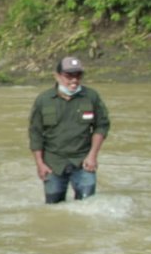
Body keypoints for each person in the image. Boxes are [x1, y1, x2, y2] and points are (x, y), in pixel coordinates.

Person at [28, 56, 111, 203]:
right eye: (69, 76)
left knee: (88, 206)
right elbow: (35, 134)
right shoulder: (44, 100)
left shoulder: (91, 97)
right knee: (53, 208)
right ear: (57, 76)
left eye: (78, 75)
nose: (74, 80)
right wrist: (40, 164)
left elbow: (102, 125)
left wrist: (92, 156)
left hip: (83, 162)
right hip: (53, 164)